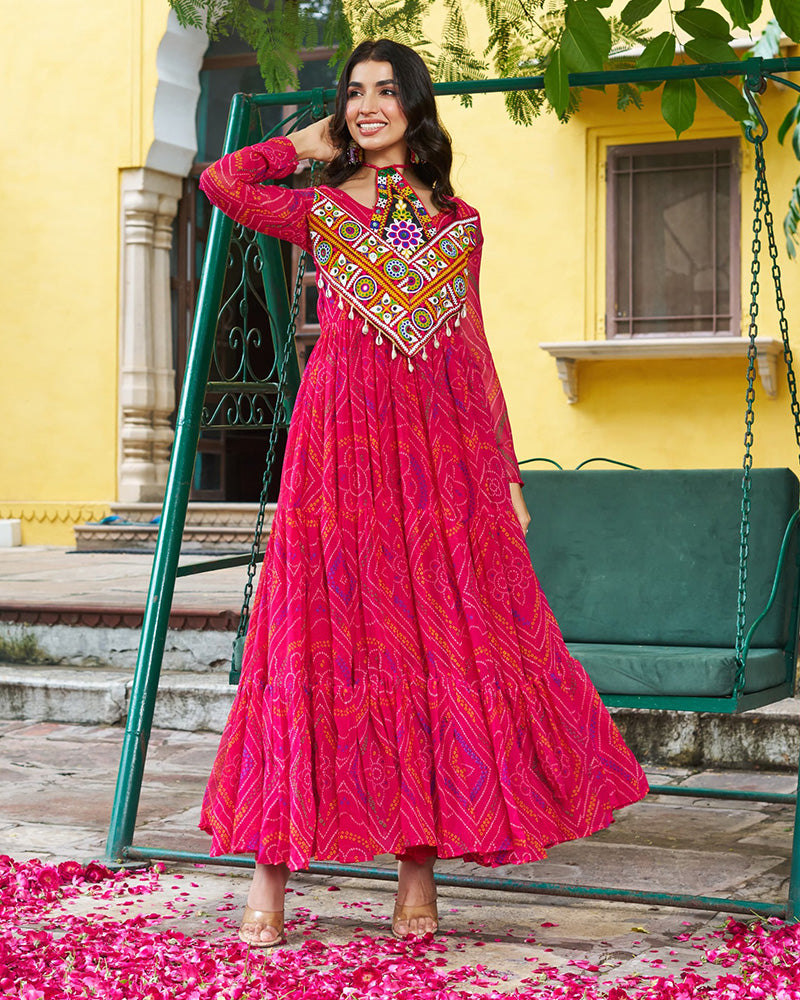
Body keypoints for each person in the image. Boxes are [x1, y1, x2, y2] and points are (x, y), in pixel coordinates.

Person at [199, 38, 649, 949]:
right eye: (355, 93)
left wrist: (504, 471)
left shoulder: (462, 224)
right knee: (316, 635)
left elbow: (474, 353)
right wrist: (306, 141)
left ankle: (417, 871)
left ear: (416, 105)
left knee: (431, 641)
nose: (369, 105)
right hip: (339, 451)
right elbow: (223, 182)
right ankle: (269, 876)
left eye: (385, 91)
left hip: (438, 457)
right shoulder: (322, 208)